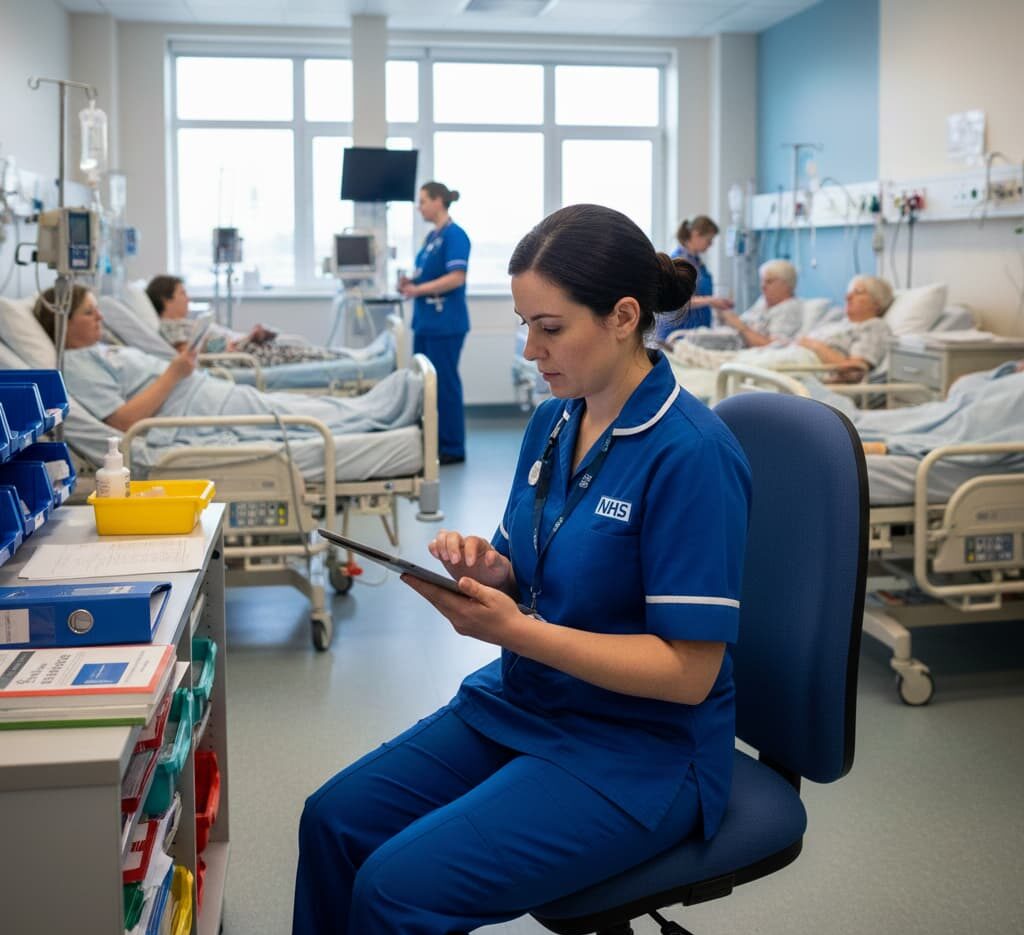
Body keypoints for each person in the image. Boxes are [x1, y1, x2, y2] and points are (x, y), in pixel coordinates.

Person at [292, 204, 752, 935]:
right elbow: (524, 568)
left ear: (624, 316)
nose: (530, 348)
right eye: (523, 323)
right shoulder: (556, 419)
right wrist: (488, 569)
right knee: (331, 821)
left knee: (395, 888)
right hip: (530, 700)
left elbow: (689, 671)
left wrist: (521, 632)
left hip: (641, 749)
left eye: (551, 326)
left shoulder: (691, 454)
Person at [32, 286, 423, 440]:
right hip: (198, 412)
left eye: (99, 311)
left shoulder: (99, 351)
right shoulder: (76, 364)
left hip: (208, 396)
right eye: (89, 314)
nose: (100, 319)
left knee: (299, 409)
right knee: (302, 416)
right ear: (64, 323)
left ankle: (386, 402)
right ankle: (387, 408)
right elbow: (121, 424)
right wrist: (175, 373)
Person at [398, 181, 471, 464]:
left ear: (439, 201)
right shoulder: (432, 238)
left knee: (444, 385)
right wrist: (411, 282)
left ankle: (453, 447)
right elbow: (425, 273)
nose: (420, 207)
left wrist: (418, 290)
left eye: (423, 201)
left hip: (446, 324)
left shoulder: (456, 236)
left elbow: (456, 278)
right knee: (426, 386)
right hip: (427, 322)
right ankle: (433, 442)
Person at [146, 275, 339, 367]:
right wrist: (235, 344)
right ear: (166, 299)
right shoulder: (171, 328)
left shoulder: (186, 323)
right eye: (182, 293)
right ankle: (352, 361)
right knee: (307, 357)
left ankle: (348, 358)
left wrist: (248, 337)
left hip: (243, 349)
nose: (187, 298)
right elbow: (187, 357)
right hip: (242, 357)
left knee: (305, 351)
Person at [654, 215, 733, 340]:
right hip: (678, 330)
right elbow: (677, 300)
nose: (710, 245)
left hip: (694, 328)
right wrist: (711, 301)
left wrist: (715, 302)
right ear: (696, 235)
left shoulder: (697, 262)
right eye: (709, 240)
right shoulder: (678, 263)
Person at [717, 259, 804, 347]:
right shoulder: (763, 302)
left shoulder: (789, 309)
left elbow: (772, 346)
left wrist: (740, 326)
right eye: (762, 281)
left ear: (786, 285)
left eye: (769, 282)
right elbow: (743, 322)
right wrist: (724, 317)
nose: (762, 286)